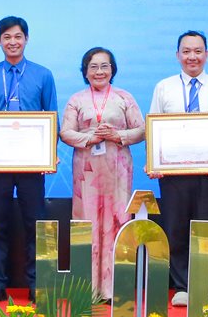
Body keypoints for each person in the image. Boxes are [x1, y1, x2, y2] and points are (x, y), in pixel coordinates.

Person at [0, 16, 57, 303]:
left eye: (18, 36)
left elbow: (52, 117)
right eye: (7, 37)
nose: (13, 42)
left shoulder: (43, 75)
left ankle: (37, 283)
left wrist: (49, 153)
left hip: (32, 163)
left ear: (26, 39)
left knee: (36, 223)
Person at [149, 31, 208, 307]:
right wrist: (155, 162)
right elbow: (154, 126)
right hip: (173, 174)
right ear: (177, 55)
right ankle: (182, 286)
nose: (192, 56)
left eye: (198, 51)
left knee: (205, 228)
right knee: (176, 228)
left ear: (207, 54)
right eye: (186, 51)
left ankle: (202, 285)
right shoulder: (164, 87)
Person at [60, 47, 145, 301]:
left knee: (117, 221)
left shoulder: (124, 97)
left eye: (104, 66)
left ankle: (113, 288)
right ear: (85, 71)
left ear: (112, 69)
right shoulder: (76, 99)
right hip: (86, 171)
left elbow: (142, 130)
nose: (99, 71)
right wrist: (90, 137)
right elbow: (65, 132)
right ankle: (86, 287)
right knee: (87, 222)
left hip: (118, 169)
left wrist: (117, 135)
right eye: (93, 66)